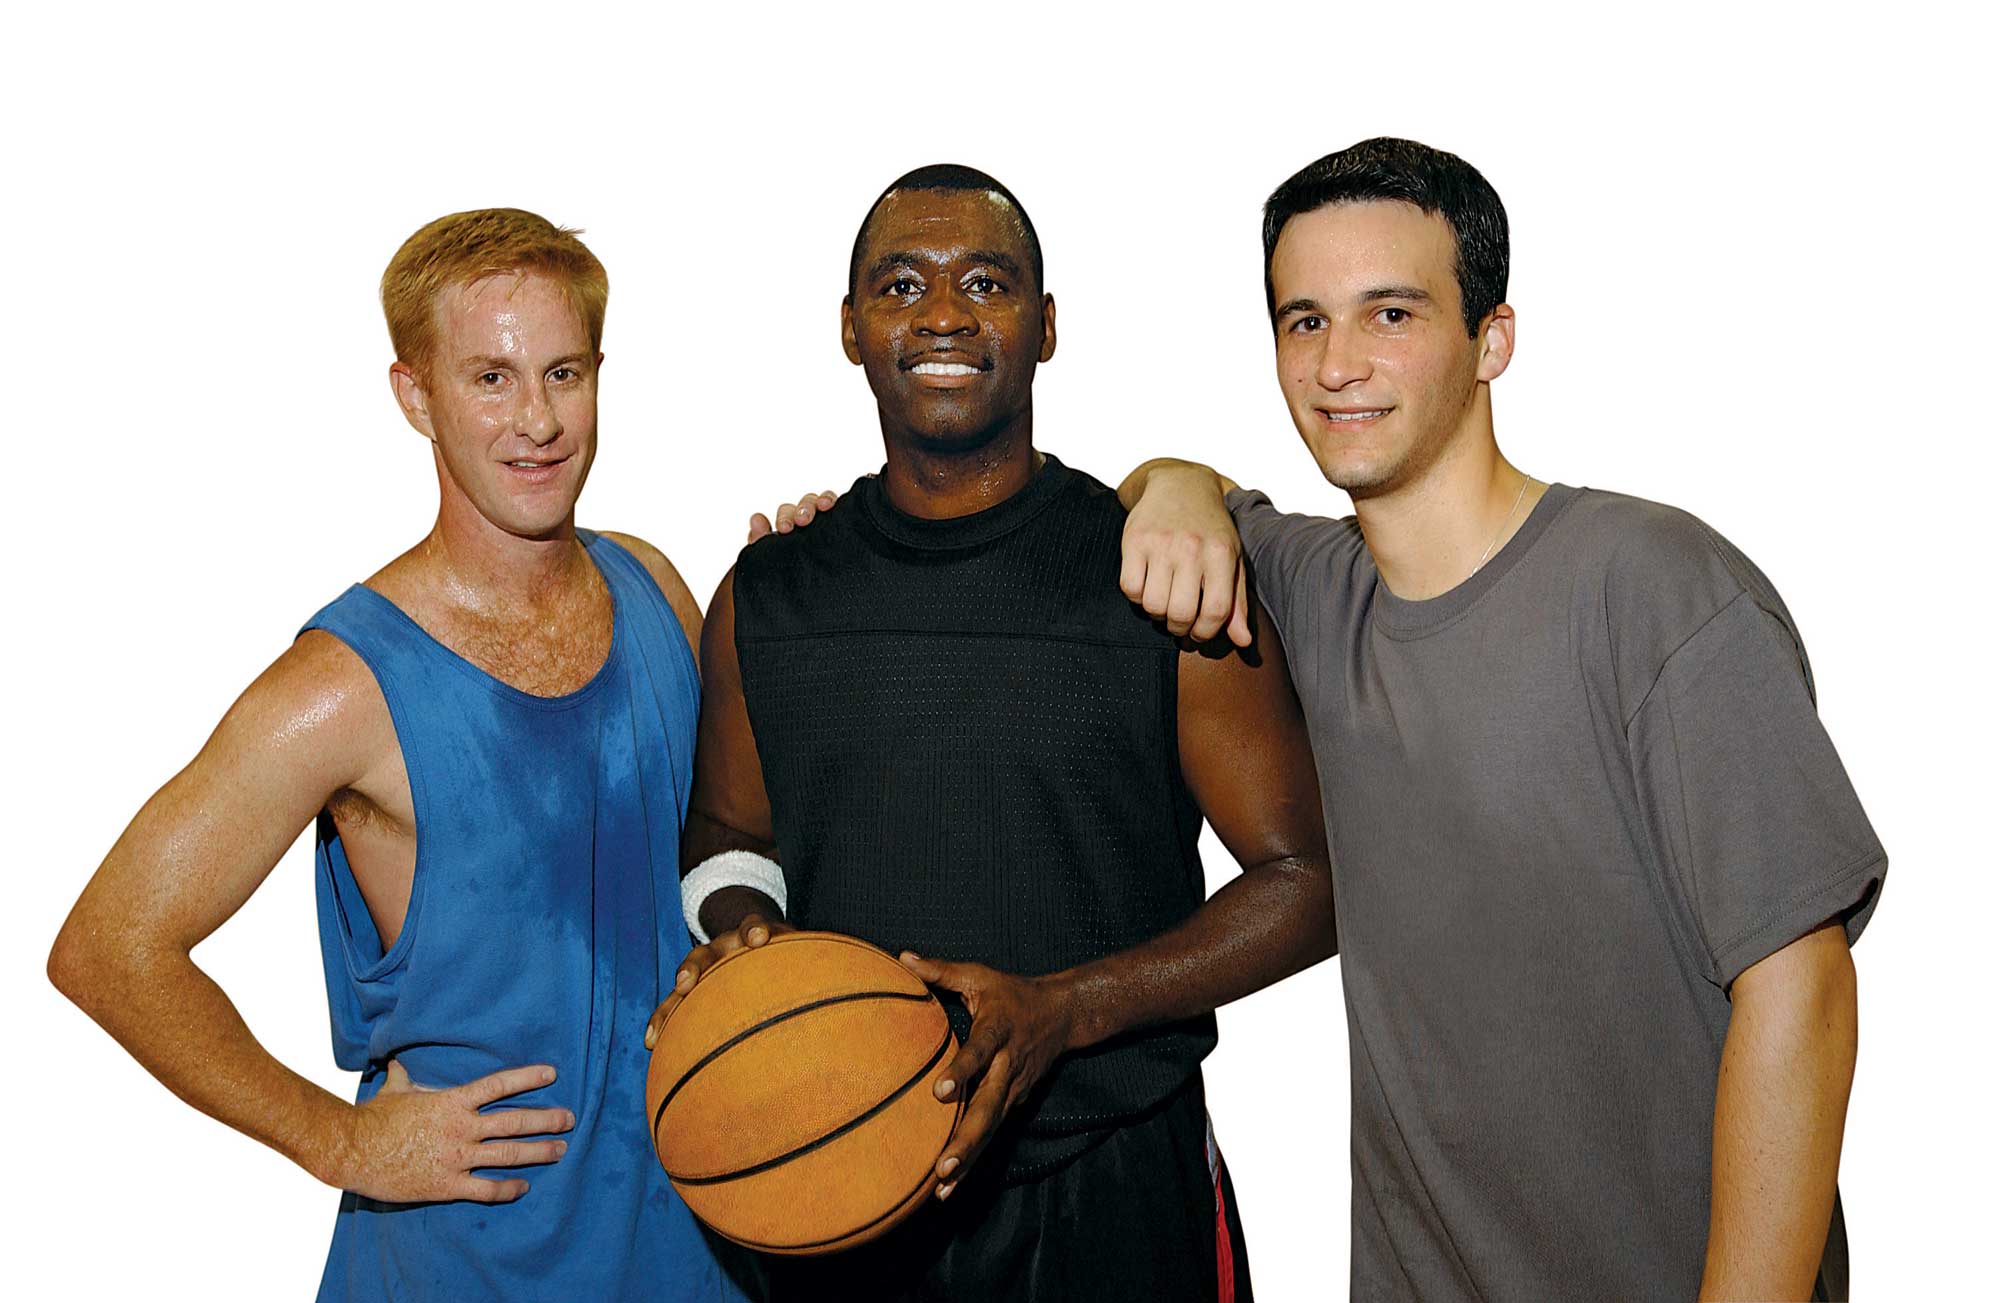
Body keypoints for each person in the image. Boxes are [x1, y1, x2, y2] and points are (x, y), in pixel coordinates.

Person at [1115, 138, 1885, 1302]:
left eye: (1388, 313)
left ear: (1491, 339)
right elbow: (1185, 495)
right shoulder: (1316, 591)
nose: (1337, 365)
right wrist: (1170, 482)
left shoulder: (1650, 589)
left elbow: (1802, 989)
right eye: (1302, 321)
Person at [649, 165, 1336, 1302]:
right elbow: (729, 834)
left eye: (986, 281)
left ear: (1046, 325)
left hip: (1111, 1182)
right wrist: (746, 939)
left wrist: (1070, 1008)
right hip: (835, 1182)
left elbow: (1308, 879)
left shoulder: (1155, 576)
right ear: (851, 328)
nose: (943, 314)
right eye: (901, 284)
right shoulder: (768, 595)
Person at [47, 209, 746, 1301]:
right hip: (466, 1258)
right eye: (490, 379)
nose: (538, 421)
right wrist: (341, 1139)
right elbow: (108, 946)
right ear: (415, 396)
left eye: (563, 372)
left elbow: (742, 845)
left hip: (698, 1239)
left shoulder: (657, 587)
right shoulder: (342, 683)